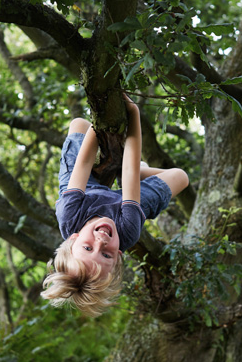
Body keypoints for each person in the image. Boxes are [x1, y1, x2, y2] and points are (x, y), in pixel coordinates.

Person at [41, 94, 189, 317]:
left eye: (88, 248)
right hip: (123, 204)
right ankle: (140, 172)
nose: (101, 242)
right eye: (107, 255)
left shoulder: (69, 215)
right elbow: (129, 172)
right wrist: (133, 113)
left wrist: (99, 120)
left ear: (73, 239)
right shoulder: (128, 230)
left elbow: (83, 163)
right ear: (119, 254)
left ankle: (130, 169)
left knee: (78, 124)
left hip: (85, 189)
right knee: (181, 177)